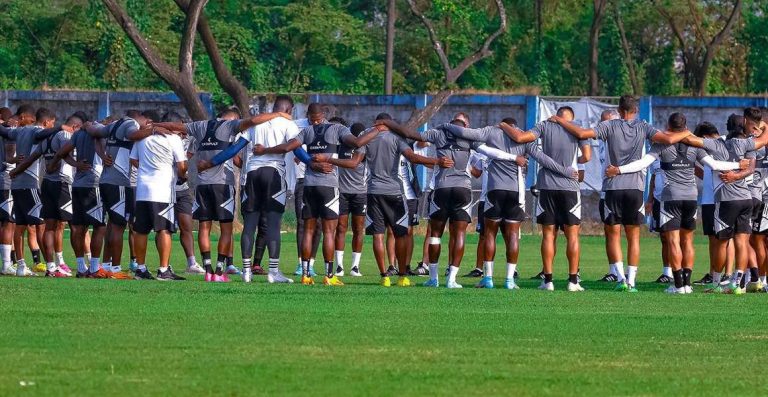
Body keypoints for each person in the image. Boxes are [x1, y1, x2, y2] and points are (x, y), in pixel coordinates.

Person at [549, 95, 692, 292]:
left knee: (613, 234)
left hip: (613, 186)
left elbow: (582, 133)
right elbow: (668, 138)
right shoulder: (644, 126)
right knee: (633, 237)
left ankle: (620, 279)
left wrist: (560, 120)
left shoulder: (609, 126)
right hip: (635, 188)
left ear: (619, 109)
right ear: (635, 110)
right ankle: (632, 280)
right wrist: (686, 133)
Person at [607, 113, 746, 293]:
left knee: (673, 241)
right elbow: (714, 164)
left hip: (670, 197)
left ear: (668, 126)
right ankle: (687, 285)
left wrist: (618, 170)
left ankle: (678, 285)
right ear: (685, 125)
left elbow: (642, 164)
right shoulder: (694, 144)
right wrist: (738, 166)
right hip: (690, 197)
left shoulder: (662, 144)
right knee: (688, 241)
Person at [442, 117, 578, 290]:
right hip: (516, 191)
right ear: (515, 126)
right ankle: (509, 280)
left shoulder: (491, 131)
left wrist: (445, 125)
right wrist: (565, 171)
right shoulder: (524, 137)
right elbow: (543, 159)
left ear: (503, 124)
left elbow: (465, 132)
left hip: (494, 190)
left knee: (489, 234)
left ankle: (488, 278)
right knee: (513, 234)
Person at [251, 103, 379, 286]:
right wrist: (377, 130)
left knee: (308, 230)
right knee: (329, 231)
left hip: (309, 185)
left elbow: (288, 147)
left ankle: (305, 274)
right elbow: (358, 143)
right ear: (324, 115)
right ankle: (329, 275)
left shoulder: (307, 132)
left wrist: (264, 150)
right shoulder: (337, 129)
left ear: (309, 116)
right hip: (329, 186)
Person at [156, 108, 289, 282]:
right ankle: (219, 271)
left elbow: (175, 126)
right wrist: (277, 114)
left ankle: (208, 270)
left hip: (202, 185)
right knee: (226, 229)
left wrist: (155, 126)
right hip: (222, 184)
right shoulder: (231, 126)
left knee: (204, 228)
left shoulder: (200, 126)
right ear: (232, 118)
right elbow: (255, 120)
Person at [198, 96, 312, 283]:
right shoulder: (288, 124)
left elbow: (234, 149)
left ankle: (247, 271)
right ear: (289, 110)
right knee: (274, 224)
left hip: (251, 174)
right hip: (274, 174)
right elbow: (297, 150)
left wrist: (211, 163)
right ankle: (273, 272)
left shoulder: (255, 124)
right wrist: (312, 163)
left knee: (250, 224)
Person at [499, 107, 591, 291]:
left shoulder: (544, 126)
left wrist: (503, 125)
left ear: (556, 115)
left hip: (547, 186)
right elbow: (587, 157)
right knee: (572, 235)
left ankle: (548, 280)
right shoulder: (577, 129)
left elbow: (520, 138)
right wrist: (572, 161)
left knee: (548, 235)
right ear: (570, 118)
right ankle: (573, 281)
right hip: (570, 187)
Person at [356, 114, 451, 287]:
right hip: (394, 192)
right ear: (389, 123)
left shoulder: (367, 139)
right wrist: (437, 161)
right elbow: (413, 158)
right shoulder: (396, 138)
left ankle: (384, 276)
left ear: (376, 123)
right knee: (401, 233)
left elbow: (355, 159)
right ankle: (401, 275)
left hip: (373, 192)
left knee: (378, 235)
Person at [680, 107, 768, 294]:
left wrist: (675, 133)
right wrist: (764, 126)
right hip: (746, 198)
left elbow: (690, 139)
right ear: (744, 126)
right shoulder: (748, 145)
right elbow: (757, 154)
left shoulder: (715, 144)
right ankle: (737, 284)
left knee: (721, 243)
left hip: (727, 200)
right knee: (742, 242)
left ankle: (717, 283)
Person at [84, 110, 155, 279]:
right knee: (119, 226)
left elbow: (93, 131)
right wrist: (154, 130)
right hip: (120, 183)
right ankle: (116, 269)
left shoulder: (114, 125)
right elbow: (134, 134)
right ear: (143, 119)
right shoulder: (131, 124)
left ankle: (107, 265)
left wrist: (102, 154)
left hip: (106, 181)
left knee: (111, 225)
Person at [10, 115, 84, 277]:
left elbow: (32, 158)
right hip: (62, 183)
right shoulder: (64, 135)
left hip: (47, 185)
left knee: (49, 226)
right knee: (74, 225)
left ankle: (51, 267)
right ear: (75, 126)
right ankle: (81, 266)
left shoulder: (47, 139)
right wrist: (74, 164)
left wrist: (15, 171)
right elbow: (63, 153)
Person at [49, 117, 108, 279]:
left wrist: (76, 165)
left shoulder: (78, 135)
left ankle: (81, 268)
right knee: (100, 226)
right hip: (94, 183)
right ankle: (95, 268)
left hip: (77, 184)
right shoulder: (98, 131)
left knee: (78, 227)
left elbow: (62, 153)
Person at [128, 125, 187, 280]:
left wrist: (146, 170)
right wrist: (182, 176)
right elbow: (182, 166)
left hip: (142, 190)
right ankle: (163, 269)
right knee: (164, 230)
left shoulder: (142, 138)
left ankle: (140, 269)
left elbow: (133, 159)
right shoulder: (174, 139)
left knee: (141, 230)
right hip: (162, 190)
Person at [161, 111, 204, 274]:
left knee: (186, 224)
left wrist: (182, 172)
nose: (182, 130)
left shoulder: (188, 139)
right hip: (164, 189)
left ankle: (191, 262)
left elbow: (185, 159)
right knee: (165, 228)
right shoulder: (158, 140)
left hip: (182, 188)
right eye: (178, 126)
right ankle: (164, 264)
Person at [334, 122, 367, 277]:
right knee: (340, 228)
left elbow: (355, 164)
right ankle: (339, 266)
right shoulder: (340, 146)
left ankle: (355, 266)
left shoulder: (365, 149)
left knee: (358, 229)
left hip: (360, 193)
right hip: (342, 192)